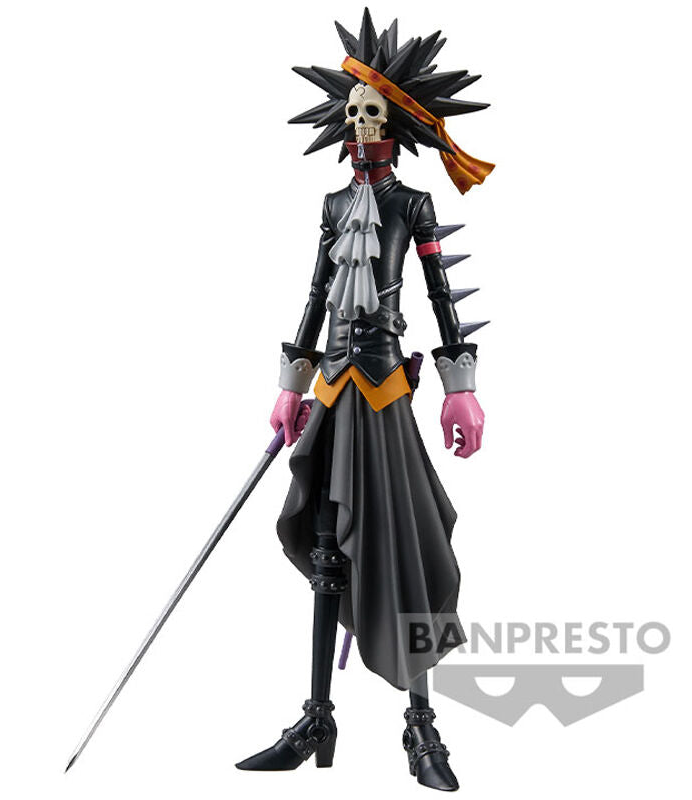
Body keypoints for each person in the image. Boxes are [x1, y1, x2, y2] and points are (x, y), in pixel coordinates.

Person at [235, 10, 493, 791]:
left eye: (372, 110)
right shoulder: (331, 206)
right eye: (352, 110)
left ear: (397, 122)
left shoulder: (413, 205)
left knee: (400, 542)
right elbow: (315, 296)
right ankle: (317, 717)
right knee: (326, 547)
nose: (359, 122)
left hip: (384, 392)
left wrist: (461, 391)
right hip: (333, 390)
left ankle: (421, 722)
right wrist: (289, 385)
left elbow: (441, 298)